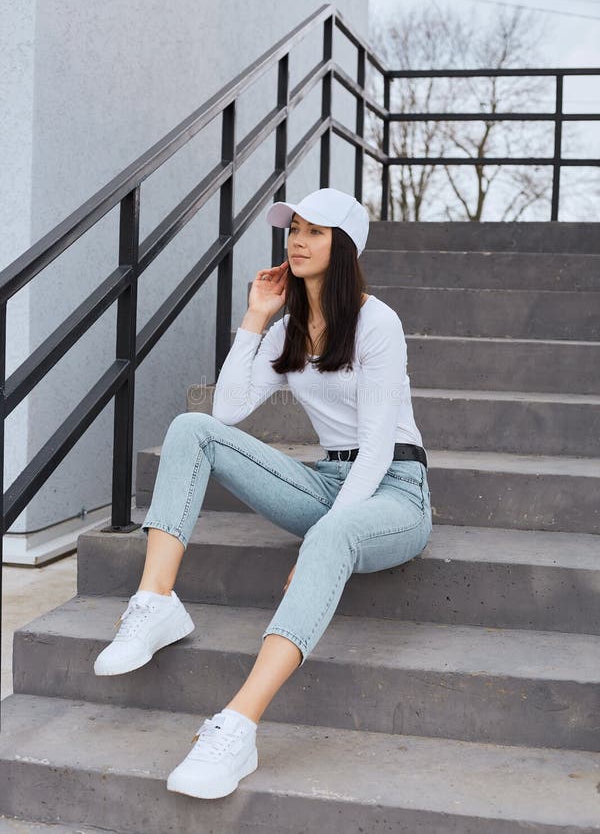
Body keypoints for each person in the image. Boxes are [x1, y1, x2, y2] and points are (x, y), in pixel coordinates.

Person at [92, 186, 432, 800]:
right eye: (293, 228)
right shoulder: (290, 329)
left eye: (315, 231)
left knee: (331, 531)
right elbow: (225, 410)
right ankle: (156, 600)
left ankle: (238, 727)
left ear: (345, 245)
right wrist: (255, 317)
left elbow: (379, 448)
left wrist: (317, 545)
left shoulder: (378, 322)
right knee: (192, 429)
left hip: (395, 491)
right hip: (329, 479)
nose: (297, 240)